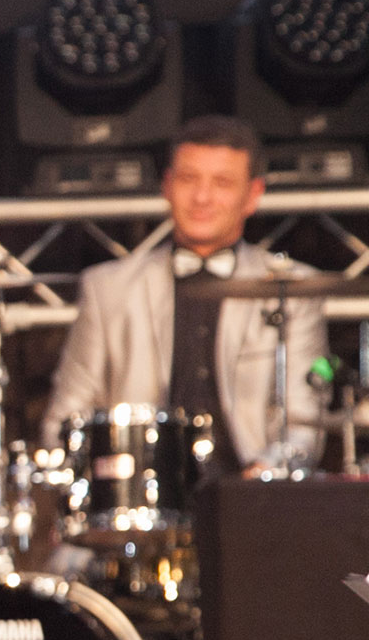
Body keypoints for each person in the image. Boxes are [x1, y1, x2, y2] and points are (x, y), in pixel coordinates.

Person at [41, 115, 326, 471]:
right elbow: (64, 421)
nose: (202, 198)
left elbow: (303, 425)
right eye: (189, 179)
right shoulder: (109, 288)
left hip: (249, 491)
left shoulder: (292, 290)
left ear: (253, 195)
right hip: (141, 494)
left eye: (222, 183)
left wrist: (267, 472)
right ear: (167, 186)